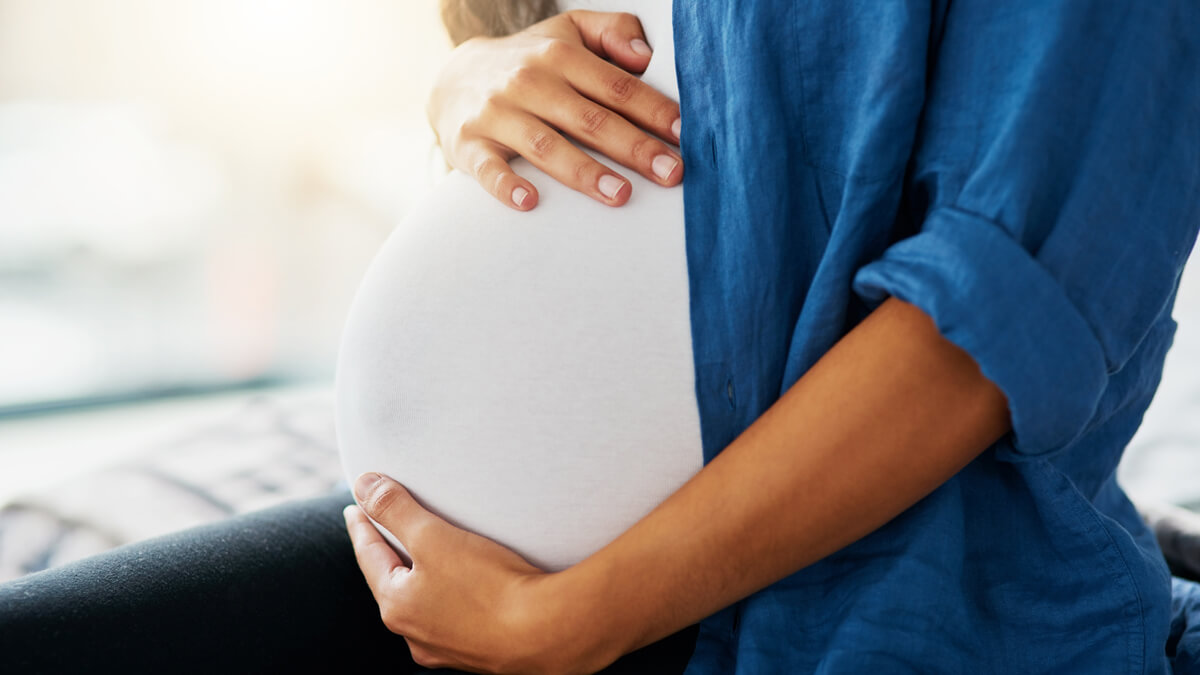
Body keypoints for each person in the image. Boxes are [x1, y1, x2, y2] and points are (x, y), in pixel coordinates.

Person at [3, 2, 1200, 674]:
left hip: (859, 616)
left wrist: (571, 623)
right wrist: (471, 79)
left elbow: (991, 325)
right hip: (480, 582)